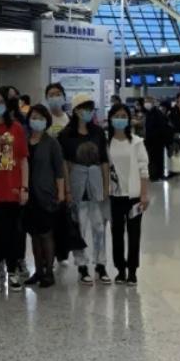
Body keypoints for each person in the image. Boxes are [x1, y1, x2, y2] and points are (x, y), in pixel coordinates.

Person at [0, 87, 30, 292]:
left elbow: (23, 160)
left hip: (12, 191)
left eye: (0, 101)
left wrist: (25, 187)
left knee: (12, 234)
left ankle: (12, 271)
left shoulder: (16, 128)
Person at [59, 94, 111, 285]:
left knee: (99, 227)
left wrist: (106, 187)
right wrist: (67, 190)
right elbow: (64, 164)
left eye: (91, 109)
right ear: (76, 111)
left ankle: (101, 264)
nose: (88, 112)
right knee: (79, 227)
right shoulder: (66, 135)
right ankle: (82, 265)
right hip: (76, 183)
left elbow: (104, 160)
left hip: (96, 183)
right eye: (84, 108)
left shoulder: (97, 132)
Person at [106, 104, 149, 286]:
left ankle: (132, 271)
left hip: (133, 196)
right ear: (110, 118)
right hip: (114, 196)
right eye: (116, 115)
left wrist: (144, 195)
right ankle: (120, 269)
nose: (120, 119)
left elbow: (144, 170)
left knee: (134, 233)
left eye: (123, 116)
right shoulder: (106, 142)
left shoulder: (137, 142)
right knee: (116, 233)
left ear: (128, 119)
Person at [24, 104, 65, 288]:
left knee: (46, 234)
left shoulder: (51, 142)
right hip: (28, 194)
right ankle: (38, 271)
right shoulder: (24, 140)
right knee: (33, 234)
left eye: (40, 118)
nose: (36, 121)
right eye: (34, 117)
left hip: (46, 194)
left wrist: (61, 192)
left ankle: (49, 271)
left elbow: (59, 170)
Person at [139, 96, 169, 183]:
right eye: (145, 101)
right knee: (152, 158)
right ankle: (155, 174)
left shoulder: (157, 113)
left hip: (156, 139)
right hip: (150, 139)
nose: (146, 103)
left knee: (156, 157)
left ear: (152, 102)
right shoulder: (149, 112)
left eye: (148, 101)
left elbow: (161, 127)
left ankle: (157, 175)